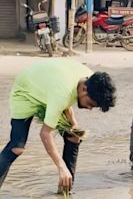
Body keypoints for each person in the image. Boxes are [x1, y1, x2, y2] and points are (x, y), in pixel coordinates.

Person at [0, 59, 116, 192]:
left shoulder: (92, 80)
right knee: (16, 148)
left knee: (74, 136)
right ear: (84, 89)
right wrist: (61, 167)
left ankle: (65, 189)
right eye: (91, 104)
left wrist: (73, 124)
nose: (90, 108)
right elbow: (45, 133)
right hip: (26, 90)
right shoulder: (61, 94)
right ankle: (64, 174)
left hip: (48, 86)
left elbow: (67, 98)